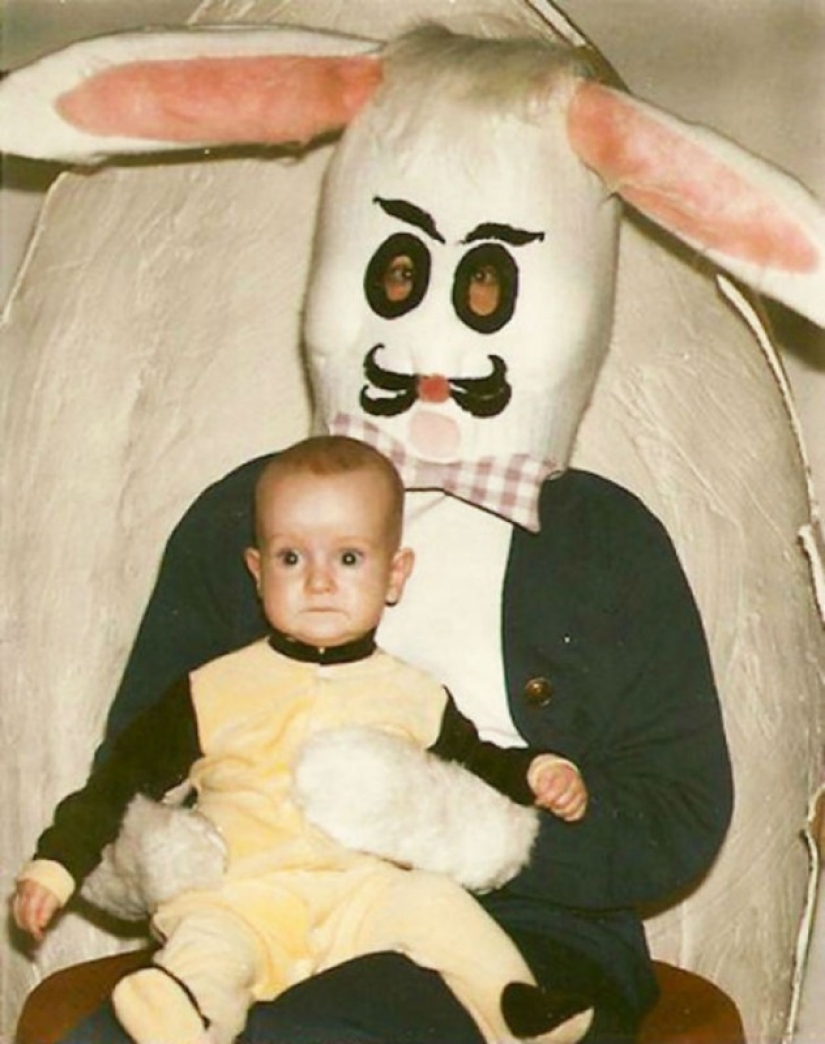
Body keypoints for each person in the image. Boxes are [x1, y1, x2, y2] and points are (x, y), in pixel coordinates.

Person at [14, 436, 592, 1044]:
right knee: (206, 944)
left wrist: (536, 769)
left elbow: (474, 761)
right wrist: (57, 866)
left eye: (348, 558)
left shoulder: (412, 691)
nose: (318, 582)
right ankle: (189, 1017)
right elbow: (118, 782)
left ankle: (515, 1010)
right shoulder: (211, 689)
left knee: (436, 903)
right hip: (241, 894)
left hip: (360, 897)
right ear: (257, 571)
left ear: (394, 574)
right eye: (292, 559)